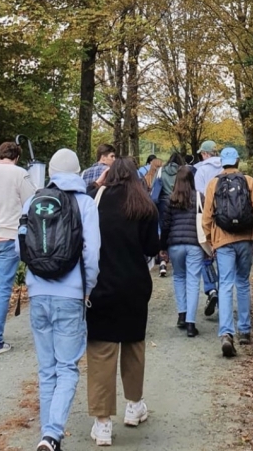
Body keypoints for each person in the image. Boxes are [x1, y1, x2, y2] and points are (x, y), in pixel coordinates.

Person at [19, 148, 101, 451]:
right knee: (67, 367)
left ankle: (47, 434)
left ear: (50, 171)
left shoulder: (33, 201)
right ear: (79, 171)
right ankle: (52, 435)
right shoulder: (86, 204)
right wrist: (87, 287)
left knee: (46, 368)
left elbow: (21, 249)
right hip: (71, 293)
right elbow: (91, 253)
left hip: (38, 292)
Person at [86, 158, 161, 446]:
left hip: (101, 286)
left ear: (109, 175)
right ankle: (134, 405)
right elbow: (152, 247)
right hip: (134, 286)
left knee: (101, 351)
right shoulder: (144, 206)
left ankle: (103, 423)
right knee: (133, 345)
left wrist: (97, 183)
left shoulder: (96, 201)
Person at [201, 147, 253, 358]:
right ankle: (244, 330)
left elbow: (207, 216)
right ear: (237, 161)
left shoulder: (213, 184)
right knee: (243, 282)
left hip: (222, 240)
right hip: (245, 238)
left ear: (222, 163)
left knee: (225, 284)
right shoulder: (249, 182)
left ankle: (226, 333)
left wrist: (210, 239)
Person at [0, 141, 37, 355]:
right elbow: (31, 201)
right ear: (17, 157)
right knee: (3, 288)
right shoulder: (20, 174)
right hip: (9, 236)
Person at [159, 166, 205, 337]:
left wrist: (162, 247)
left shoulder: (172, 199)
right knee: (193, 281)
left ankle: (182, 314)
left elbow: (166, 225)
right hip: (194, 244)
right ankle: (191, 324)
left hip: (175, 244)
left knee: (179, 277)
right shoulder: (200, 197)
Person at [193, 142, 223, 317]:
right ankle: (223, 296)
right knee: (223, 257)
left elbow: (199, 194)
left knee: (206, 256)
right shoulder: (226, 167)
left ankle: (212, 290)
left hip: (207, 216)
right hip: (226, 218)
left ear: (205, 154)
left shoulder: (201, 170)